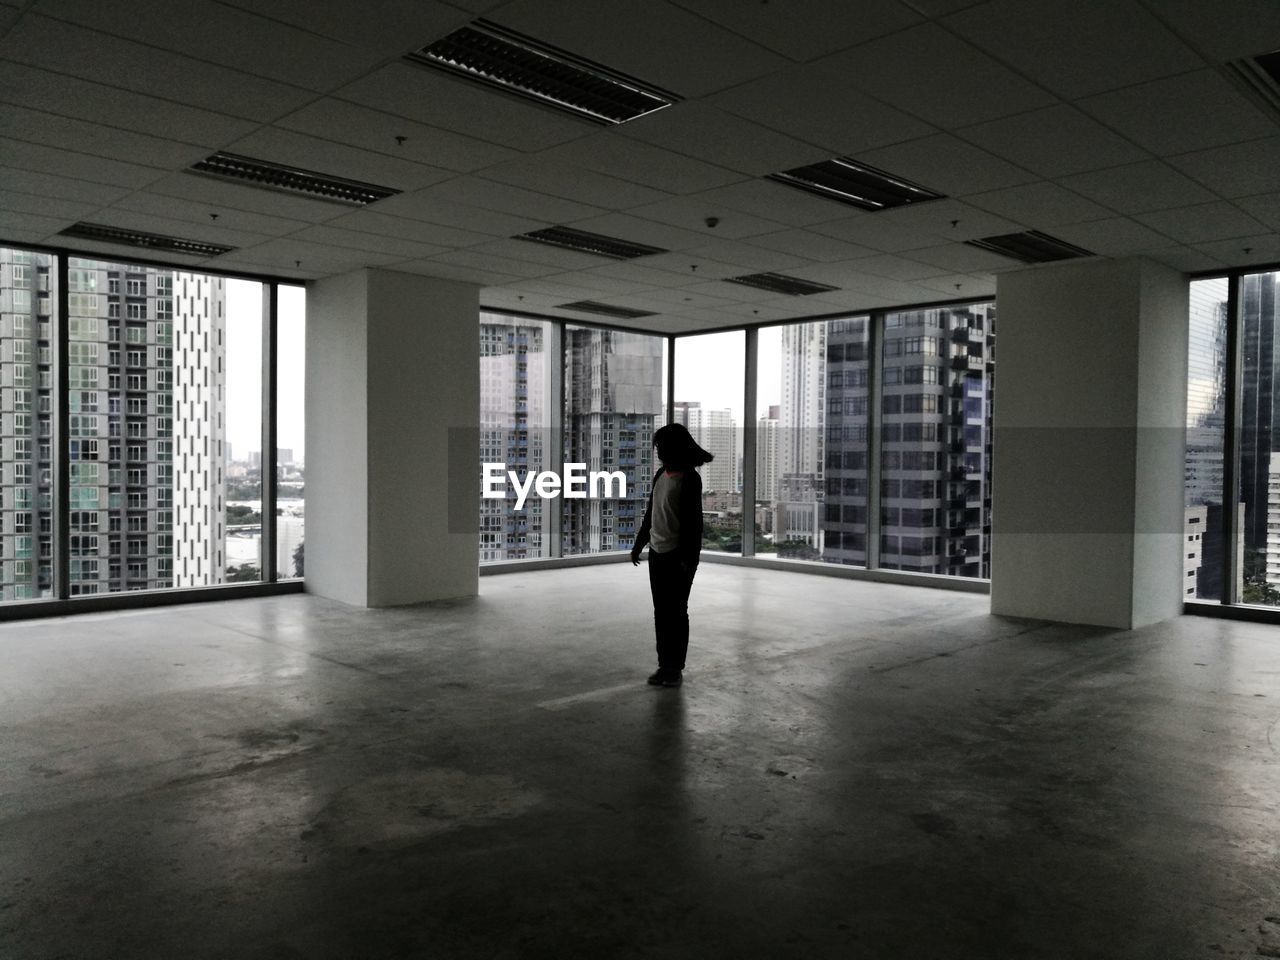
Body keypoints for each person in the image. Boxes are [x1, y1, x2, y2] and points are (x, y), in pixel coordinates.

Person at [630, 423, 713, 688]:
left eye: (662, 446)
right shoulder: (660, 475)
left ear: (674, 448)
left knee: (676, 613)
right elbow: (651, 514)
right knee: (661, 613)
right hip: (657, 553)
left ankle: (674, 669)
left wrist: (689, 562)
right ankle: (664, 665)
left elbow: (693, 526)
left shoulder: (689, 478)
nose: (658, 452)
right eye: (657, 447)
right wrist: (639, 543)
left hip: (678, 557)